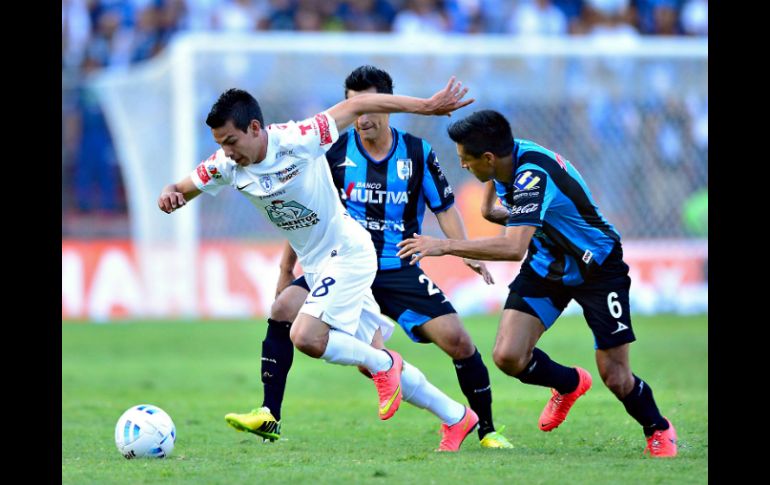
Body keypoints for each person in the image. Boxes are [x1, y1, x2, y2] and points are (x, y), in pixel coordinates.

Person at [157, 79, 480, 451]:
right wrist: (170, 193)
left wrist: (426, 105)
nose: (227, 153)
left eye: (231, 142)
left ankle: (382, 363)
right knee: (288, 313)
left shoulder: (300, 138)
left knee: (307, 337)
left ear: (256, 129)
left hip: (349, 252)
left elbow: (359, 107)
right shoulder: (225, 165)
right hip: (316, 265)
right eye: (220, 145)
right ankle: (456, 416)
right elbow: (180, 188)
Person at [224, 66, 513, 449]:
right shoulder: (333, 153)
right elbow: (307, 213)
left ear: (386, 105)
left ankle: (486, 430)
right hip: (339, 261)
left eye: (367, 106)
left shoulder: (417, 153)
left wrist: (464, 252)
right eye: (351, 106)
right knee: (283, 311)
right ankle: (269, 415)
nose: (359, 117)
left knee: (458, 340)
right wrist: (285, 267)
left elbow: (444, 207)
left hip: (396, 266)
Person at [396, 109, 679, 458]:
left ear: (487, 157)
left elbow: (514, 247)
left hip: (598, 268)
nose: (463, 167)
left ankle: (658, 428)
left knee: (616, 376)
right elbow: (496, 214)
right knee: (508, 356)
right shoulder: (505, 160)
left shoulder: (532, 174)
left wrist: (444, 245)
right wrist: (491, 205)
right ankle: (569, 384)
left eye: (466, 160)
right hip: (549, 264)